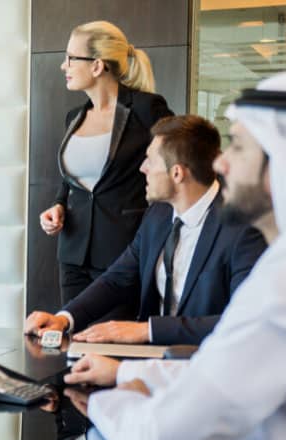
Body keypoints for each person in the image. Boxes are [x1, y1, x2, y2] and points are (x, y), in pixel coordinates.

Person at [63, 71, 286, 440]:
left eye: (238, 146)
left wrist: (107, 399)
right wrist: (125, 371)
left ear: (283, 163)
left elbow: (160, 438)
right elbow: (225, 369)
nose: (220, 162)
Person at [25, 115, 267, 345]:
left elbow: (245, 321)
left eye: (150, 160)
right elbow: (117, 279)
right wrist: (64, 318)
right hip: (151, 362)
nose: (142, 168)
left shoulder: (243, 229)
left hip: (208, 365)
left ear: (177, 173)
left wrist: (147, 330)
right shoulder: (157, 215)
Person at [40, 21, 173, 314]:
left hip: (122, 251)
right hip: (73, 252)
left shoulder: (146, 109)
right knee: (75, 341)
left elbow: (173, 162)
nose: (64, 66)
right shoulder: (74, 116)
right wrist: (58, 205)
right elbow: (73, 180)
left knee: (111, 345)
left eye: (71, 58)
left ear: (98, 66)